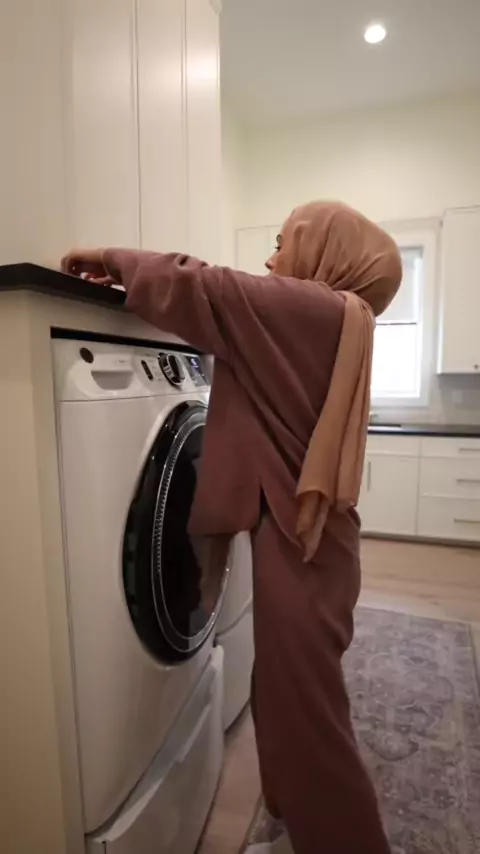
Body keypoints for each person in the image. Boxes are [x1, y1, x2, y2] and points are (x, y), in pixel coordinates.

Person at [61, 201, 402, 854]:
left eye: (285, 241)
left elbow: (206, 286)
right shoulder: (337, 319)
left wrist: (110, 258)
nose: (271, 259)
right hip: (309, 546)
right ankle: (299, 827)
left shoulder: (316, 310)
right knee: (284, 699)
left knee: (310, 723)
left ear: (328, 251)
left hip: (303, 552)